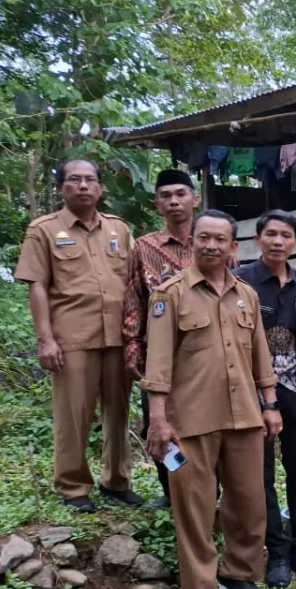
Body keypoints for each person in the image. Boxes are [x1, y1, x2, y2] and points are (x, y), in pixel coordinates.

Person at [143, 210, 281, 589]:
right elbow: (157, 364)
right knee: (195, 509)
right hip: (190, 421)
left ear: (233, 246)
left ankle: (239, 572)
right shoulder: (169, 295)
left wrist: (271, 405)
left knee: (250, 503)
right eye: (204, 237)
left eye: (220, 239)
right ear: (193, 242)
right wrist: (158, 420)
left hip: (245, 419)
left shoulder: (247, 296)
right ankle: (201, 586)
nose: (211, 245)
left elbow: (261, 357)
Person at [14, 158, 142, 513]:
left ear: (101, 188)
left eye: (90, 180)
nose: (83, 186)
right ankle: (73, 486)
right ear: (60, 188)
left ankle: (117, 481)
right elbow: (37, 286)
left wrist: (137, 334)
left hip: (117, 337)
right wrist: (46, 339)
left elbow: (133, 283)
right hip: (73, 338)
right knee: (74, 415)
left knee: (117, 412)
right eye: (74, 180)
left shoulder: (118, 229)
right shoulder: (43, 229)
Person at [232, 210, 296, 589]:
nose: (278, 241)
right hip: (253, 391)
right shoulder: (242, 282)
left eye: (286, 235)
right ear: (258, 239)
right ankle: (278, 553)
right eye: (271, 234)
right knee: (262, 473)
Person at [122, 168, 200, 510]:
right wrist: (133, 351)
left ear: (195, 199)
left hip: (206, 355)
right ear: (157, 204)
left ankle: (206, 494)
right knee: (160, 427)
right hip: (159, 356)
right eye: (166, 196)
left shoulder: (214, 240)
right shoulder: (144, 248)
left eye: (181, 194)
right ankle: (172, 494)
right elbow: (133, 302)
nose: (174, 201)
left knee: (205, 427)